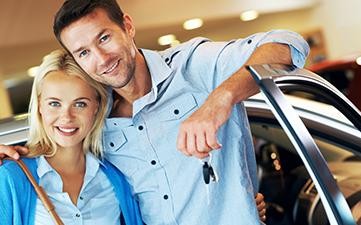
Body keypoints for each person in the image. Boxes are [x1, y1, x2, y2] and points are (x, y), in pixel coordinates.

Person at [0, 0, 309, 224]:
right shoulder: (94, 113)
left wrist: (220, 99)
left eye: (104, 38)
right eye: (84, 52)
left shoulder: (192, 67)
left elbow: (287, 46)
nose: (101, 58)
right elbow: (58, 146)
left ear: (128, 26)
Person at [0, 49, 143, 225]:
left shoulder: (117, 177)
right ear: (39, 106)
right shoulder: (10, 176)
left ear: (96, 107)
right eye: (54, 103)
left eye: (80, 104)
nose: (67, 117)